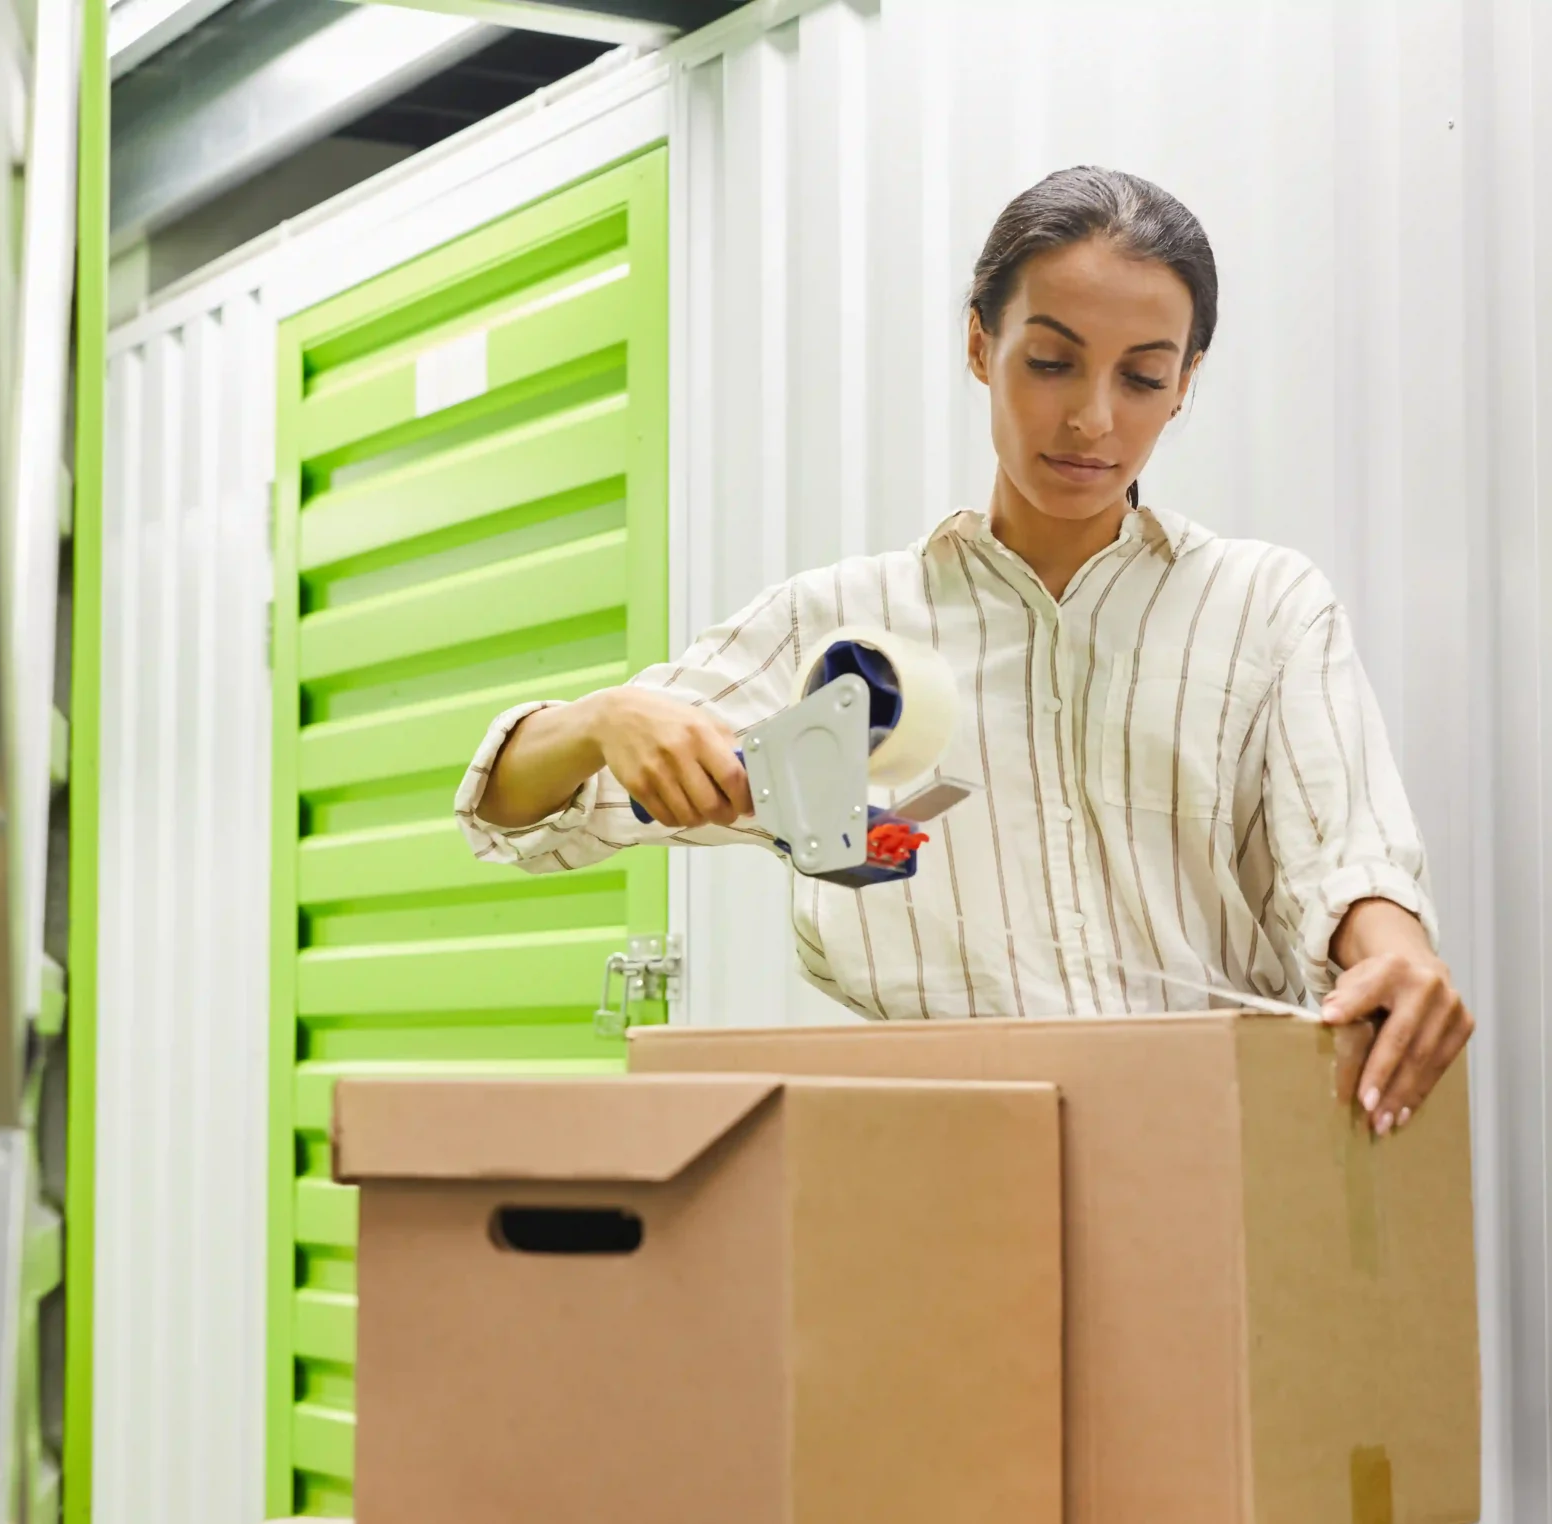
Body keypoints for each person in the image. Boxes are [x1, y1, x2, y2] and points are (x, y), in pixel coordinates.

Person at [456, 166, 1472, 1134]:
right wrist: (605, 721)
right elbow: (508, 810)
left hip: (1215, 1141)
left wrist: (1397, 953)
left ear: (1186, 382)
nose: (1091, 418)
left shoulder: (1262, 607)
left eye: (1143, 377)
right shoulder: (838, 633)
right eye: (1050, 362)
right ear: (981, 346)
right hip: (941, 1159)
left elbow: (1344, 858)